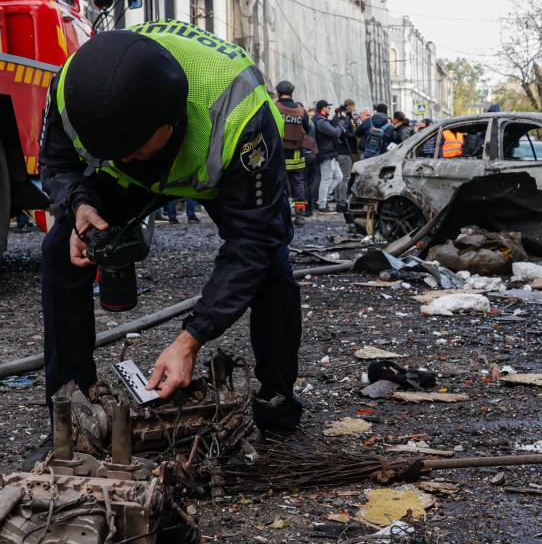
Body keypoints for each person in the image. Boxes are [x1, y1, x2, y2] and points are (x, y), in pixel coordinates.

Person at [37, 22, 303, 432]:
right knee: (62, 250)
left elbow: (253, 240)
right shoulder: (75, 90)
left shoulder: (240, 115)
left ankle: (277, 404)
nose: (125, 159)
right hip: (134, 177)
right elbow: (56, 163)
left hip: (223, 172)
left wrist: (191, 338)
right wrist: (80, 205)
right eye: (113, 152)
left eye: (135, 149)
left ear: (171, 119)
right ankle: (71, 415)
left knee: (272, 268)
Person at [274, 81, 310, 218]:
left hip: (278, 154)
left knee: (278, 182)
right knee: (297, 183)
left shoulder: (274, 107)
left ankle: (280, 213)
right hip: (296, 154)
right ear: (292, 92)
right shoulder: (301, 110)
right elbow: (307, 128)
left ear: (278, 92)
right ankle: (300, 213)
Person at [311, 101, 344, 213]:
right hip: (326, 153)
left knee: (339, 176)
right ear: (323, 108)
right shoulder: (320, 121)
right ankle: (322, 205)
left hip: (330, 153)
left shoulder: (320, 120)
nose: (329, 109)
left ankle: (322, 198)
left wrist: (336, 119)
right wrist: (340, 124)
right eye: (328, 107)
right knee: (326, 179)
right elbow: (335, 132)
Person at [331, 99, 357, 210]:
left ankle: (338, 199)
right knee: (345, 177)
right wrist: (353, 132)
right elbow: (346, 134)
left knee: (338, 177)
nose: (354, 110)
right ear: (349, 107)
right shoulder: (345, 120)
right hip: (345, 151)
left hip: (337, 151)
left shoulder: (335, 118)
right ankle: (341, 202)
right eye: (353, 107)